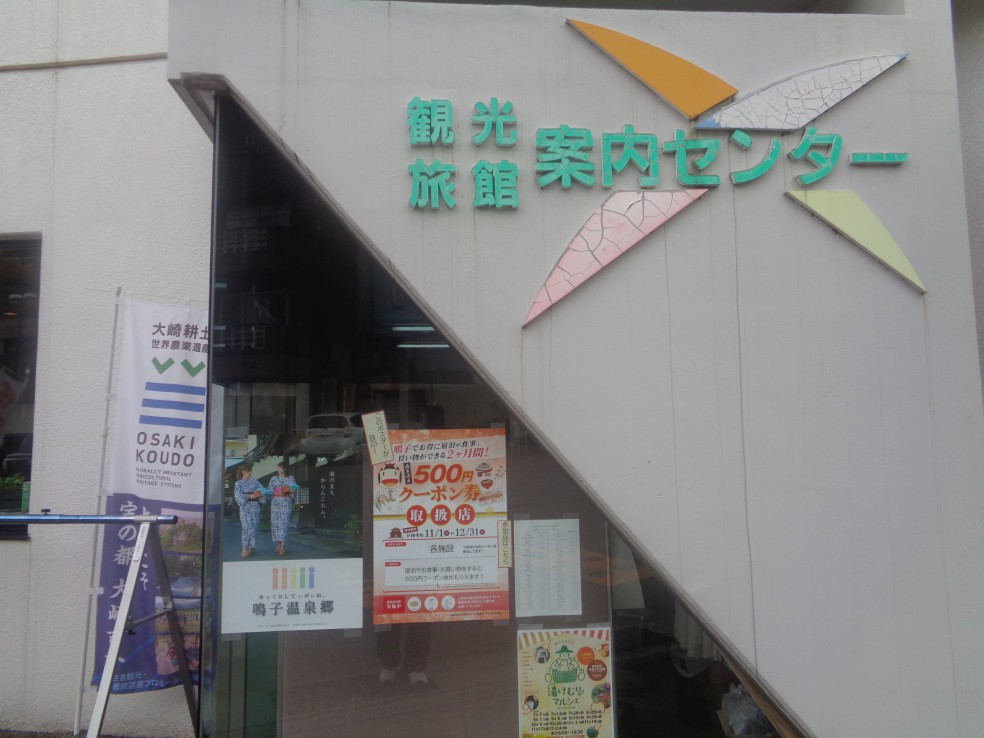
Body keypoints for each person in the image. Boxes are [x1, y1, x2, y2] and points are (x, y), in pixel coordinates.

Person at [234, 464, 265, 558]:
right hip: (245, 507)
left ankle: (252, 547)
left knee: (254, 527)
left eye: (251, 470)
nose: (250, 472)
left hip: (255, 507)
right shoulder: (238, 483)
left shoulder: (255, 482)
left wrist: (260, 494)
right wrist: (248, 495)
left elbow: (262, 491)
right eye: (249, 471)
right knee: (245, 527)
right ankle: (244, 548)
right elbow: (237, 496)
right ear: (243, 472)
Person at [268, 462, 298, 556]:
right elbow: (269, 492)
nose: (279, 469)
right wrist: (278, 492)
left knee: (284, 524)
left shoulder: (290, 478)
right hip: (275, 504)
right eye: (278, 467)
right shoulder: (273, 479)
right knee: (276, 525)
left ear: (285, 469)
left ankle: (282, 546)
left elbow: (294, 490)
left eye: (281, 467)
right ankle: (279, 544)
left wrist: (291, 490)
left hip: (286, 503)